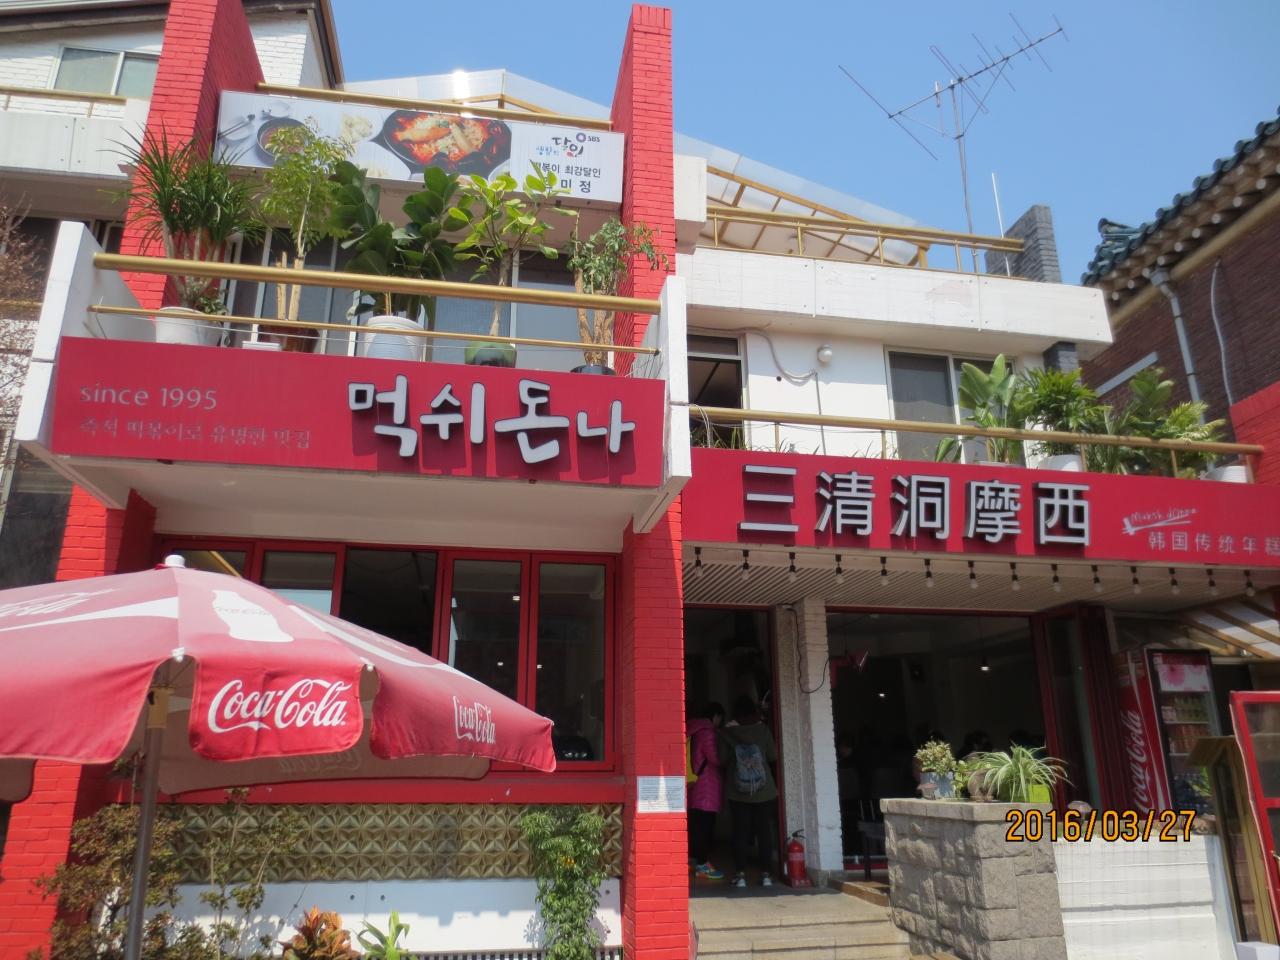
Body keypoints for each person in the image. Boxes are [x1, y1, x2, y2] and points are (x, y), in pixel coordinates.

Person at [720, 696, 779, 887]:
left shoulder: (727, 732)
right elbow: (773, 755)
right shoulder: (763, 729)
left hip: (738, 791)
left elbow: (722, 759)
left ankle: (740, 875)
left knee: (740, 833)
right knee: (764, 832)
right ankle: (766, 875)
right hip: (763, 790)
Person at [686, 701, 725, 880]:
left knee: (695, 824)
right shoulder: (708, 733)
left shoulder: (692, 730)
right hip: (707, 785)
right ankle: (702, 864)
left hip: (694, 783)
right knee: (705, 825)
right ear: (716, 716)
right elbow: (716, 759)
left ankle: (694, 861)